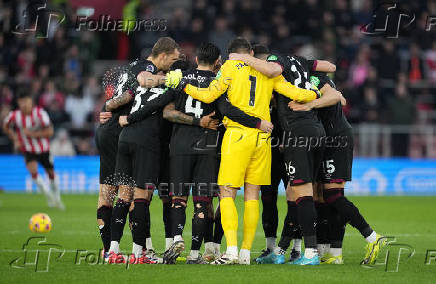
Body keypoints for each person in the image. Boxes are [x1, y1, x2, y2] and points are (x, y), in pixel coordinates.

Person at [166, 37, 320, 265]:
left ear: (232, 54)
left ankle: (232, 251)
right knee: (252, 195)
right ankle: (247, 253)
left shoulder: (229, 67)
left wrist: (183, 85)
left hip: (237, 136)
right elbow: (297, 93)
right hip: (262, 139)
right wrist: (314, 96)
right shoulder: (269, 73)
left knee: (227, 192)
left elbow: (208, 95)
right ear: (250, 52)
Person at [289, 72, 386, 265]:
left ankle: (373, 237)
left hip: (336, 138)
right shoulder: (305, 79)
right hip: (325, 138)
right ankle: (334, 252)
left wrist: (310, 104)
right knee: (323, 197)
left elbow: (336, 97)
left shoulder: (313, 77)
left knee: (333, 195)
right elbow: (339, 97)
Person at [3, 91, 64, 209]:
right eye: (21, 102)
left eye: (26, 101)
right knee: (34, 173)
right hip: (28, 150)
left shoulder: (40, 114)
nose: (24, 104)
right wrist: (14, 138)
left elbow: (50, 132)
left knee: (51, 174)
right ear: (18, 103)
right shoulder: (14, 115)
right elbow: (5, 126)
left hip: (44, 150)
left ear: (31, 102)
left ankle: (57, 198)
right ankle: (49, 197)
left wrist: (31, 134)